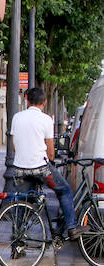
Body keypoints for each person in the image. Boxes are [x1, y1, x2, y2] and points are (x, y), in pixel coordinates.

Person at [12, 87, 88, 240]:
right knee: (64, 191)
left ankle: (17, 239)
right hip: (41, 168)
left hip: (20, 168)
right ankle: (72, 227)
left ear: (27, 100)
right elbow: (51, 150)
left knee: (23, 200)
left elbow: (14, 145)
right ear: (45, 102)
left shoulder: (17, 117)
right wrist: (50, 162)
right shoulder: (46, 119)